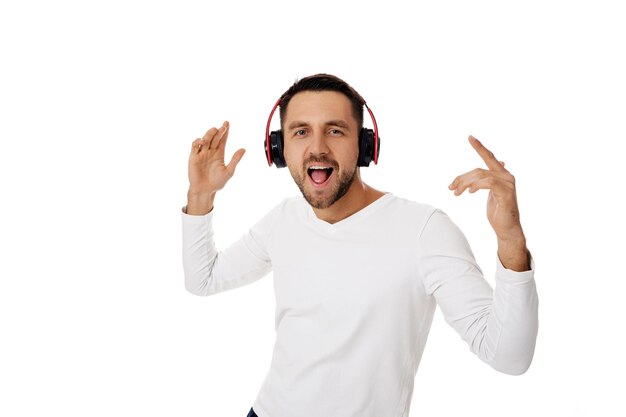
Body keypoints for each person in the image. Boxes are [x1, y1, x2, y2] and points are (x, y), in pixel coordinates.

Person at [181, 74, 538, 417]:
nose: (317, 148)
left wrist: (511, 240)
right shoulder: (283, 219)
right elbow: (203, 280)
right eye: (301, 131)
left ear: (365, 146)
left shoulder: (424, 230)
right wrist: (201, 194)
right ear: (279, 149)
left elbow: (509, 356)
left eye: (335, 130)